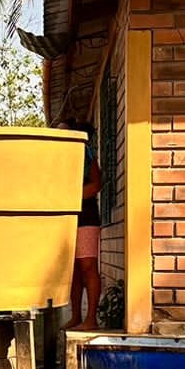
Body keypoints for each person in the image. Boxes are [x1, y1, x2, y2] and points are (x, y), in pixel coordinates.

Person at [67, 121, 103, 330]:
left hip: (86, 219)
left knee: (88, 266)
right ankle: (76, 317)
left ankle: (91, 319)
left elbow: (96, 185)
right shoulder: (61, 159)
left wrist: (70, 197)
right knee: (73, 271)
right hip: (67, 218)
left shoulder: (86, 156)